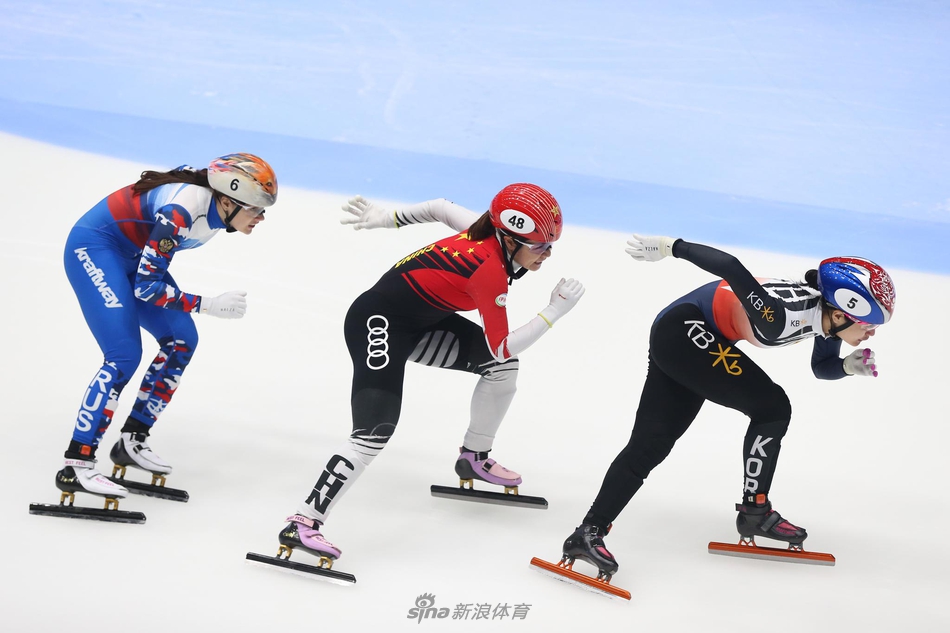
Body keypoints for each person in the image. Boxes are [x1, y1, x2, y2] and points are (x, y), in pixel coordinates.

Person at [276, 184, 585, 564]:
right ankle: (303, 521)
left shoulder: (482, 227)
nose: (548, 254)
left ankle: (474, 457)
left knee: (501, 371)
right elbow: (502, 344)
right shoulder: (489, 272)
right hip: (377, 325)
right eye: (539, 246)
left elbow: (439, 207)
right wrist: (554, 310)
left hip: (420, 325)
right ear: (509, 237)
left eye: (550, 245)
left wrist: (387, 219)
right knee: (373, 434)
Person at [560, 234, 896, 580]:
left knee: (650, 445)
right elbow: (730, 267)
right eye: (869, 325)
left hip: (688, 333)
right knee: (773, 407)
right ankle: (755, 512)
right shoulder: (780, 316)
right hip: (685, 330)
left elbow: (821, 368)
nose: (871, 333)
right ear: (841, 314)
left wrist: (846, 367)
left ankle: (587, 533)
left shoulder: (824, 319)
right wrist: (670, 247)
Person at [56, 153, 278, 504]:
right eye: (256, 207)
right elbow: (146, 288)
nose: (262, 217)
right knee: (123, 356)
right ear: (228, 199)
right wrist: (207, 304)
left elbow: (149, 274)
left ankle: (132, 440)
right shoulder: (182, 210)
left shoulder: (215, 212)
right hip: (94, 249)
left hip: (130, 256)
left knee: (181, 340)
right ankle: (77, 463)